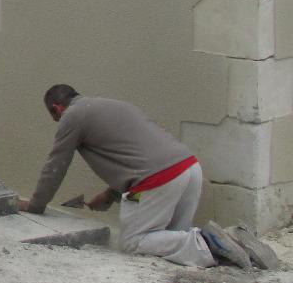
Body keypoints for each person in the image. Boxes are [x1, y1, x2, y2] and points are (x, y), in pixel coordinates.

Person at [17, 84, 252, 269]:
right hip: (189, 169)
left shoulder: (72, 116)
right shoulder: (112, 105)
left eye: (54, 117)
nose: (57, 122)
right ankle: (232, 243)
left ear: (57, 109)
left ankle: (207, 240)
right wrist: (111, 194)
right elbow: (138, 153)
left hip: (160, 180)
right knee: (171, 242)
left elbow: (55, 166)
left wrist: (36, 205)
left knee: (133, 242)